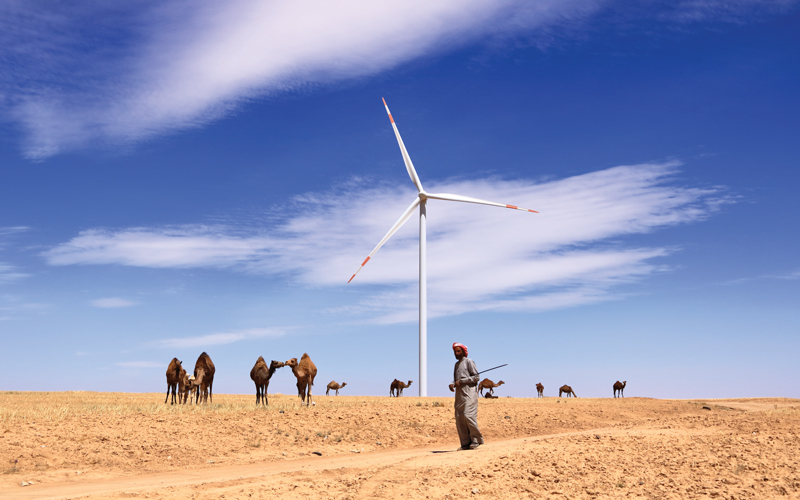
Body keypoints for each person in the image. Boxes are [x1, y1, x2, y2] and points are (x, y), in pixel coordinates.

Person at [449, 342, 484, 450]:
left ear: (463, 352)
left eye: (458, 351)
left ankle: (475, 440)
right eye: (455, 351)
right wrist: (452, 383)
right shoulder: (456, 365)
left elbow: (476, 378)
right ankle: (465, 443)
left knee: (468, 415)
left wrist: (463, 381)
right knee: (459, 417)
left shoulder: (469, 362)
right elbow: (456, 380)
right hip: (459, 394)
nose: (456, 353)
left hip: (470, 393)